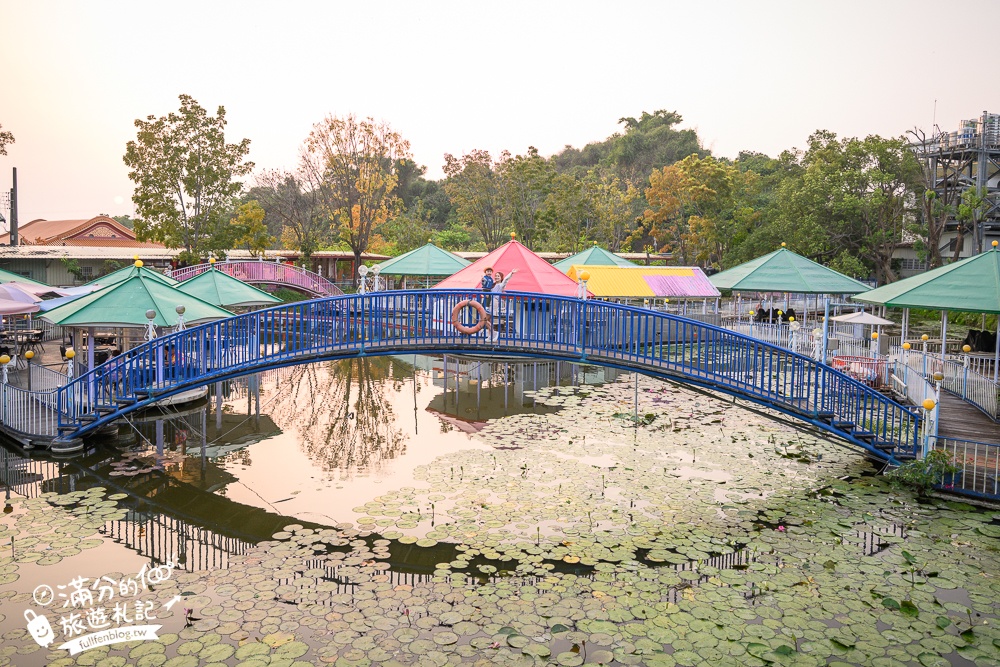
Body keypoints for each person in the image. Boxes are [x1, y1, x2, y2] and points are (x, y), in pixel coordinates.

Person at [486, 269, 516, 341]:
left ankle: (494, 333)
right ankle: (491, 335)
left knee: (486, 319)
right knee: (487, 320)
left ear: (501, 277)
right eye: (495, 276)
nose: (496, 277)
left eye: (498, 276)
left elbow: (505, 280)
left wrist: (511, 273)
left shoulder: (501, 285)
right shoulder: (493, 284)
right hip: (489, 301)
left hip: (494, 301)